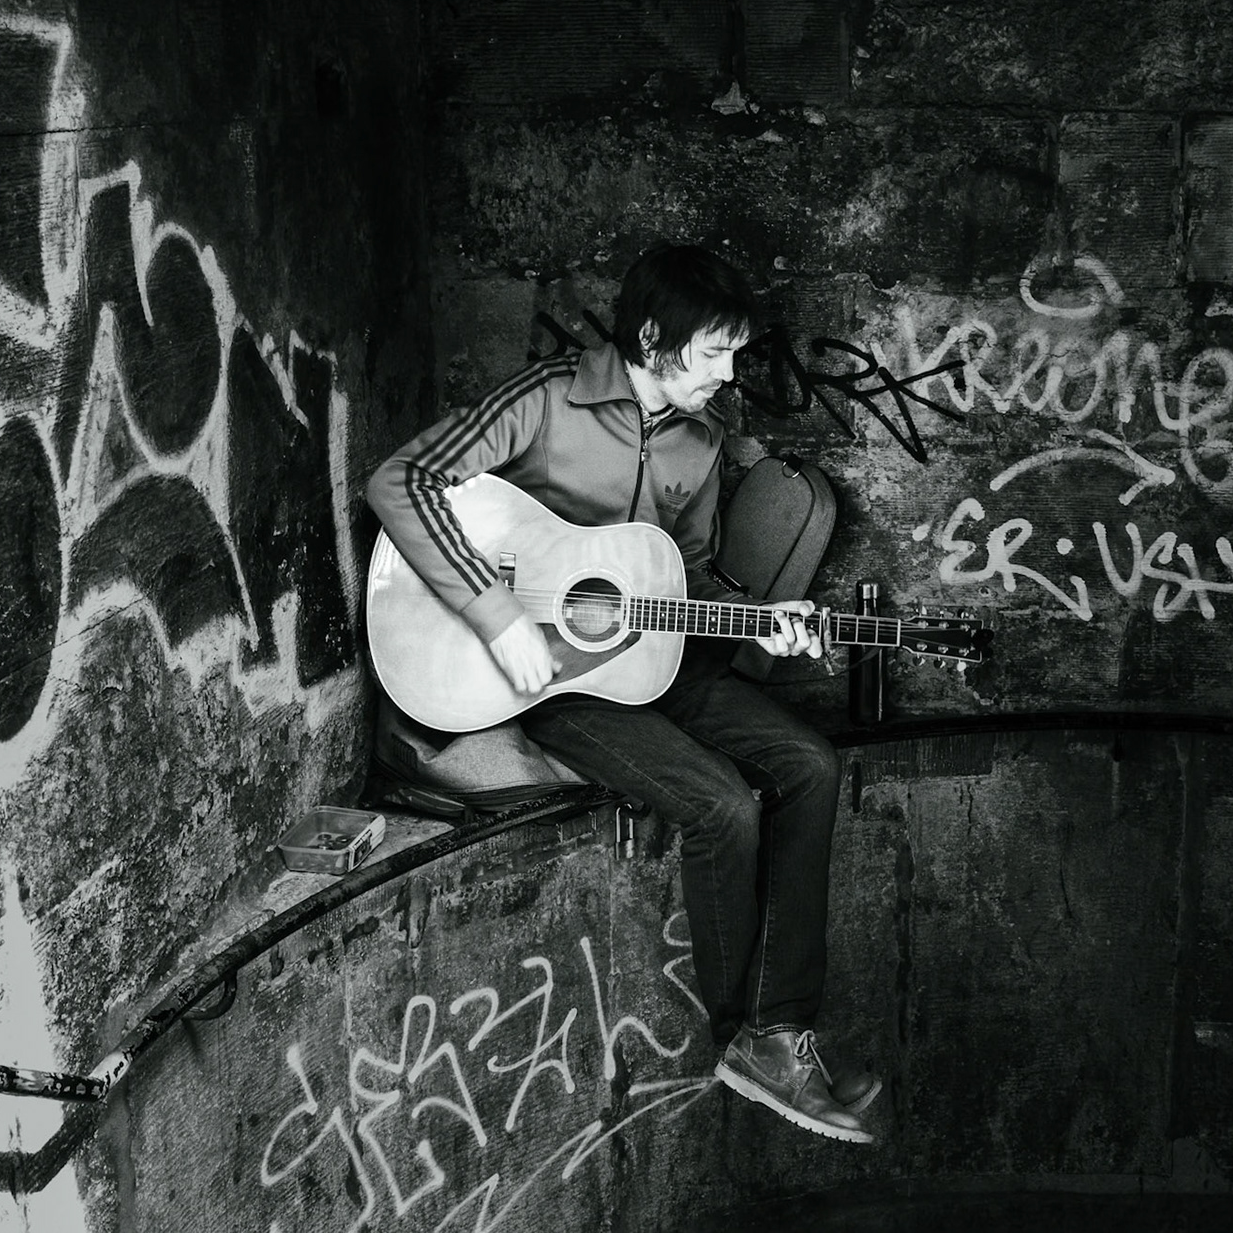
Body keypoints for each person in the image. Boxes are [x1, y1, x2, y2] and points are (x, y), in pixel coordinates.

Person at [365, 243, 878, 1144]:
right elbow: (402, 481)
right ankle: (740, 1040)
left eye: (734, 354)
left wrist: (758, 618)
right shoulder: (545, 400)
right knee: (722, 808)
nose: (729, 374)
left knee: (809, 764)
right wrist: (497, 616)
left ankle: (782, 1030)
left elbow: (680, 579)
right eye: (714, 353)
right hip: (536, 673)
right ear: (652, 337)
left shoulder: (703, 440)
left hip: (648, 655)